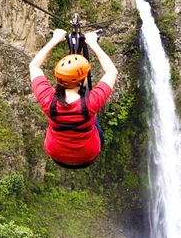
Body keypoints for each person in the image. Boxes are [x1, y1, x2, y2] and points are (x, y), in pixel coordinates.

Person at [29, 29, 118, 169]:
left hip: (57, 154)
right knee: (94, 121)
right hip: (88, 155)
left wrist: (55, 39)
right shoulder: (91, 102)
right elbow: (112, 71)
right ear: (82, 80)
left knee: (54, 124)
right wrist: (93, 43)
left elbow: (33, 66)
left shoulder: (48, 99)